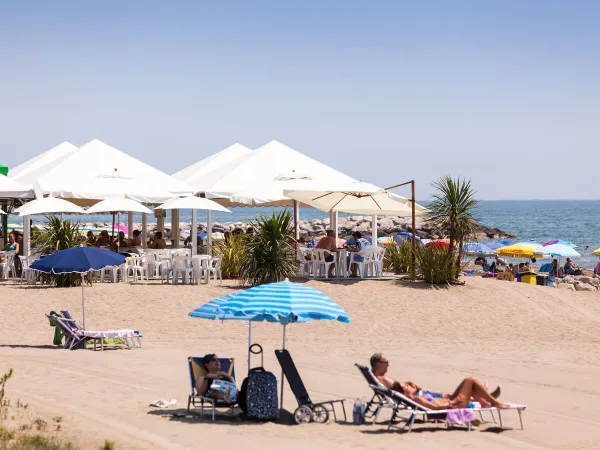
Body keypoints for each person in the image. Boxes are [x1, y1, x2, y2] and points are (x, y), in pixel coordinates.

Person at [370, 353, 506, 410]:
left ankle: (486, 398)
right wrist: (453, 403)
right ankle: (491, 400)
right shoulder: (381, 380)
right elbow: (396, 391)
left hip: (433, 399)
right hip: (443, 404)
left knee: (466, 384)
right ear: (377, 364)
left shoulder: (381, 379)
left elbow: (396, 389)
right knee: (470, 380)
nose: (388, 364)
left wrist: (407, 383)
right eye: (385, 362)